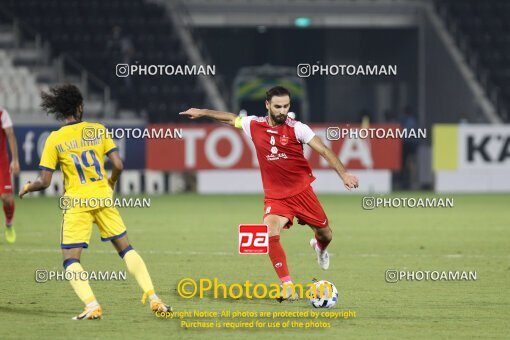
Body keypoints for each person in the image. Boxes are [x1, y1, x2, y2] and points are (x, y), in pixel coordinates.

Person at [180, 86, 359, 301]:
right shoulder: (254, 125)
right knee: (269, 232)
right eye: (278, 106)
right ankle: (287, 285)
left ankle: (319, 248)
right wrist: (202, 112)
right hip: (276, 197)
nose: (283, 111)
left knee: (326, 234)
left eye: (286, 106)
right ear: (267, 105)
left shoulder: (298, 129)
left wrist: (344, 174)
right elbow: (231, 119)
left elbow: (324, 150)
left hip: (302, 193)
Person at [18, 84, 171, 319]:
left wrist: (28, 187)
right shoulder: (98, 130)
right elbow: (119, 165)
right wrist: (111, 182)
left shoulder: (55, 139)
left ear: (60, 110)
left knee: (71, 259)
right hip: (103, 198)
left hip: (76, 203)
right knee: (127, 249)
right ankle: (154, 298)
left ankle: (92, 305)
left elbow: (45, 181)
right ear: (80, 107)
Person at [0, 107, 20, 243]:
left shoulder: (2, 113)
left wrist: (15, 159)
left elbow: (10, 134)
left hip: (2, 162)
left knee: (6, 198)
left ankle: (9, 224)